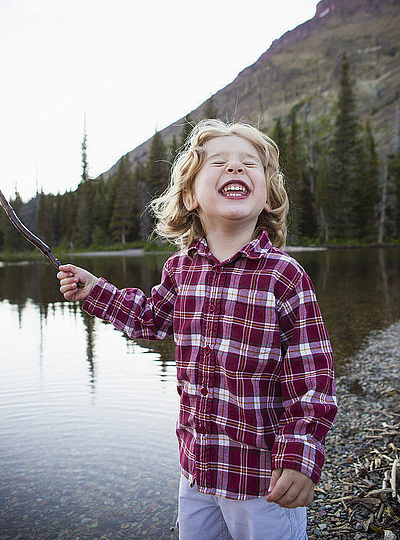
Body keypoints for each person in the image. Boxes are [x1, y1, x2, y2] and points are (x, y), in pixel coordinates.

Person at [58, 119, 337, 540]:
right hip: (197, 469)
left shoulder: (283, 276)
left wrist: (301, 454)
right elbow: (150, 317)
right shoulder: (181, 269)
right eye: (220, 163)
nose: (236, 170)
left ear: (266, 197)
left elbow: (312, 379)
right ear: (190, 196)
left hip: (261, 481)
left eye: (250, 165)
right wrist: (95, 290)